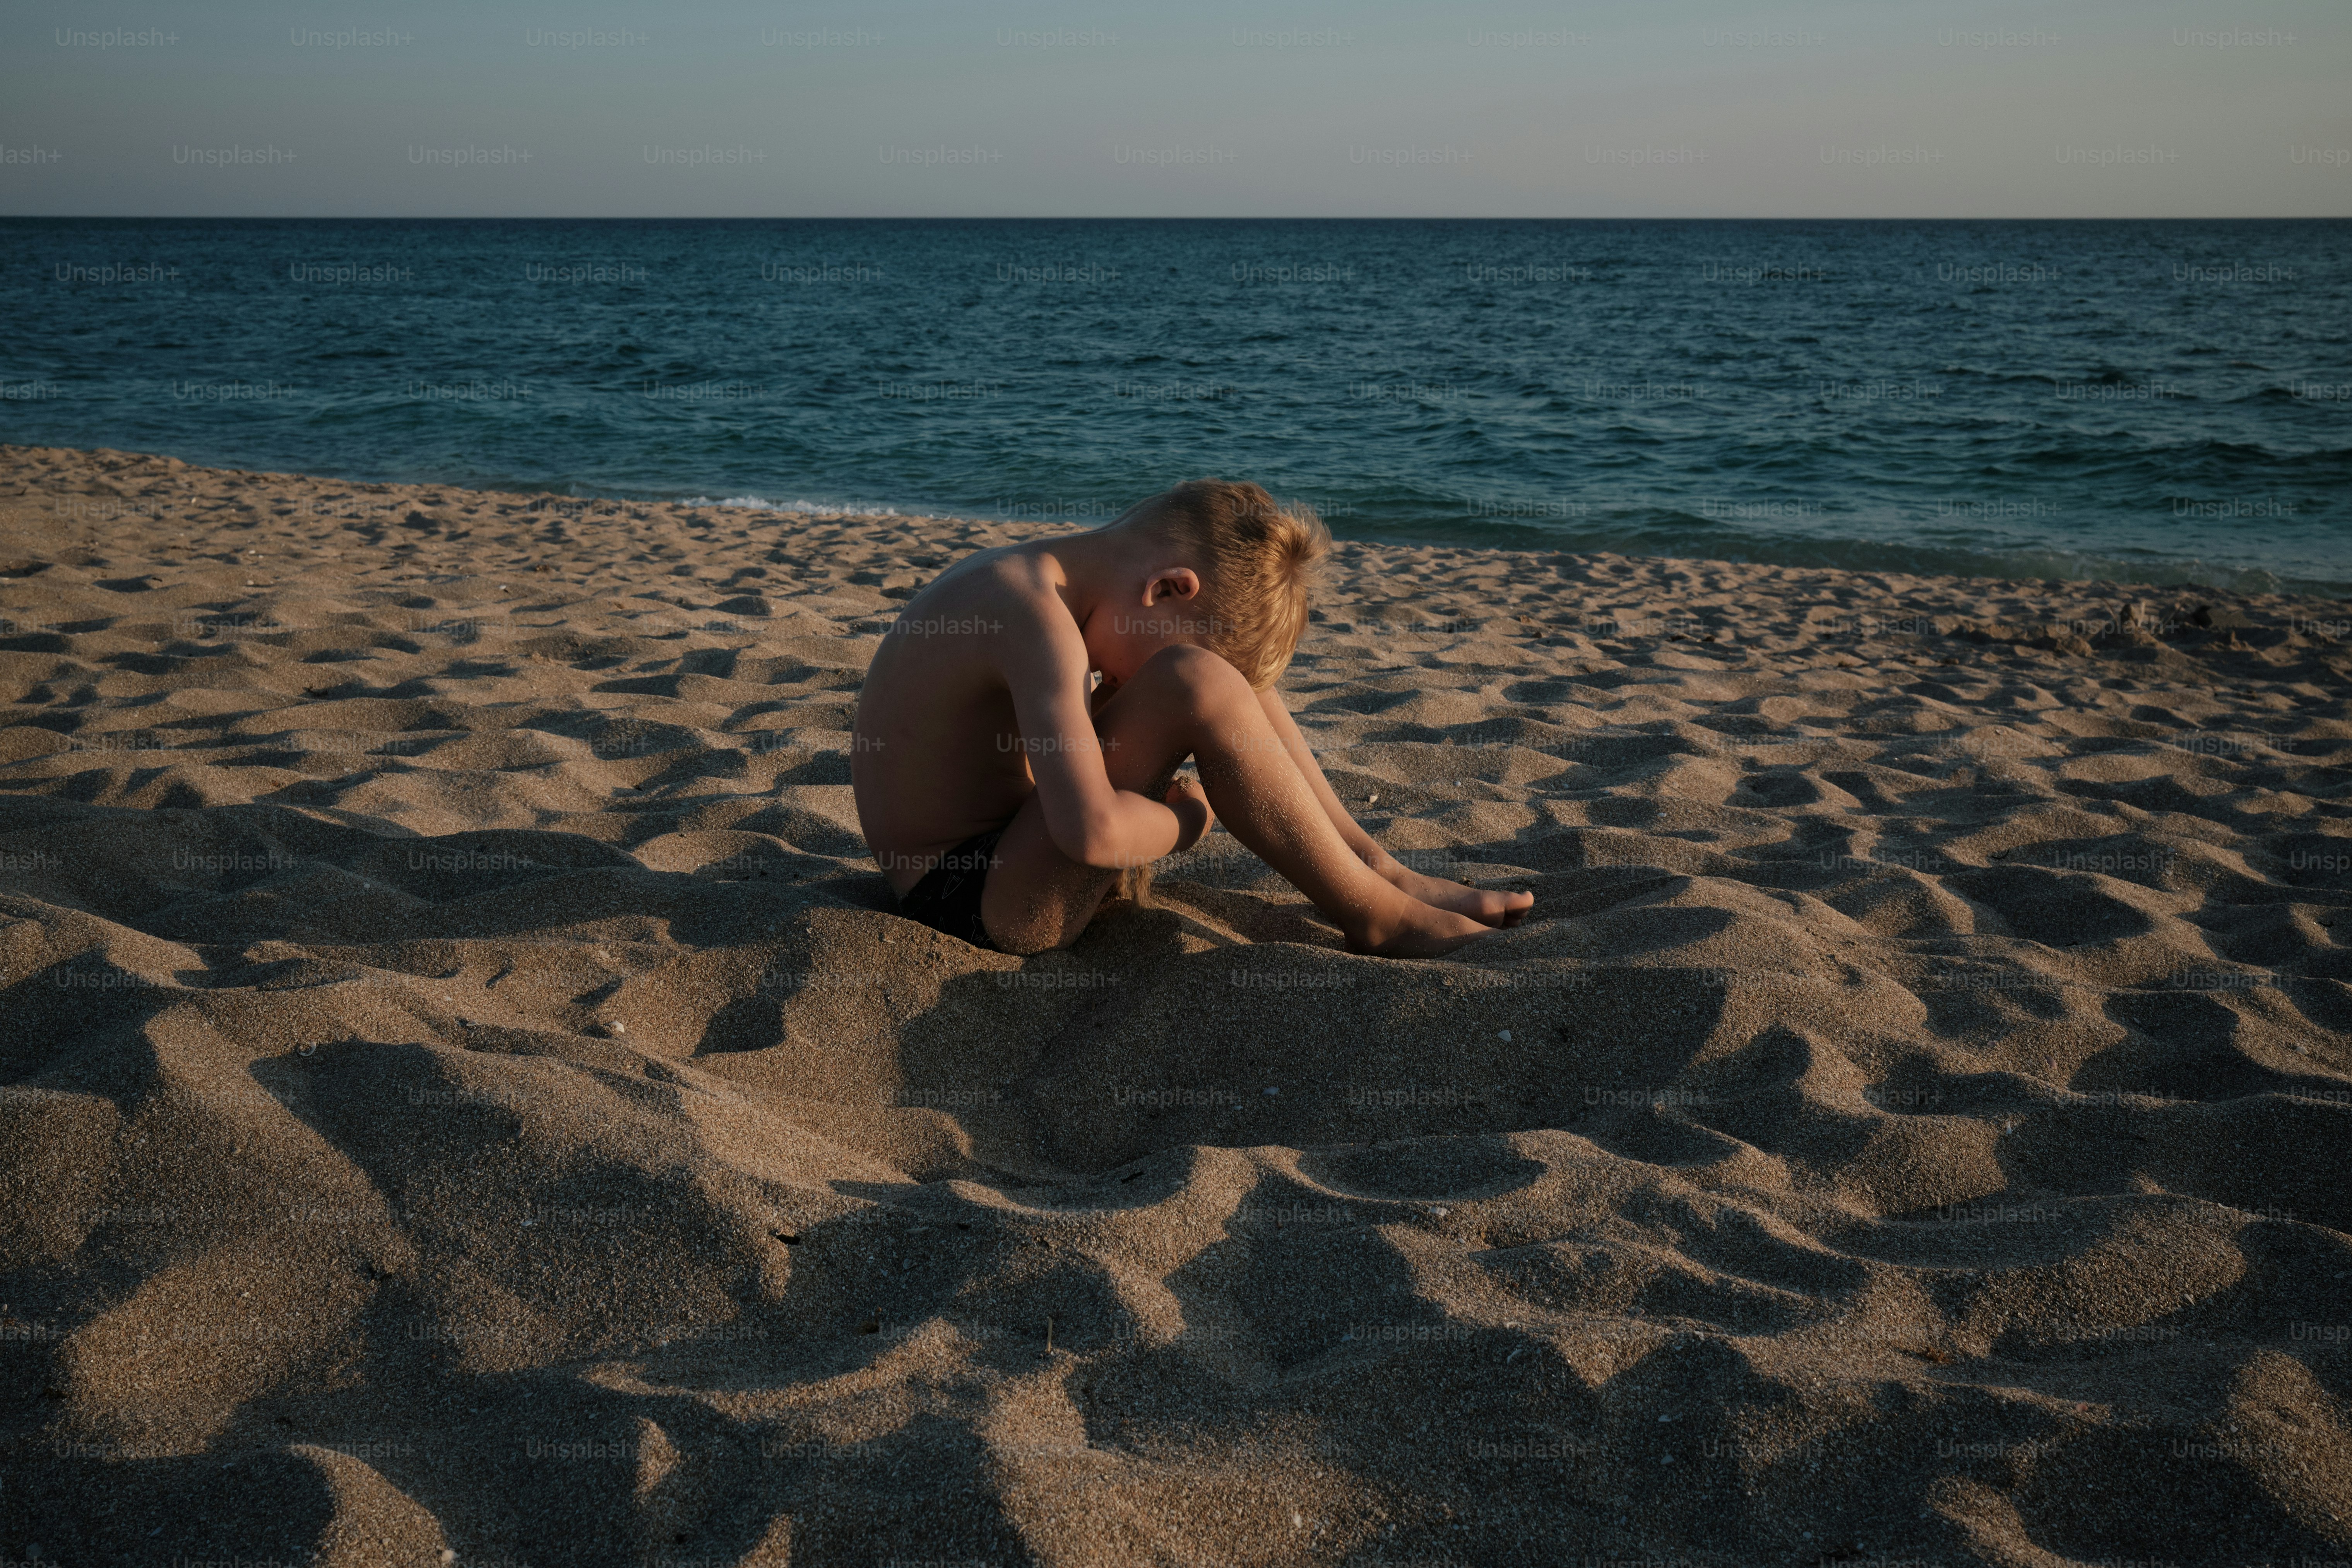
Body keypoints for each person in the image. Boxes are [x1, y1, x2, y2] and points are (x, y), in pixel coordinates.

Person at [849, 479, 1533, 956]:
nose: (1121, 681)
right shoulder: (1035, 618)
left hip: (1006, 857)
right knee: (1193, 678)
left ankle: (1374, 867)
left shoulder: (1038, 581)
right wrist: (1187, 822)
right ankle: (1376, 918)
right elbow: (1092, 835)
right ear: (1169, 587)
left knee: (1224, 679)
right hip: (975, 901)